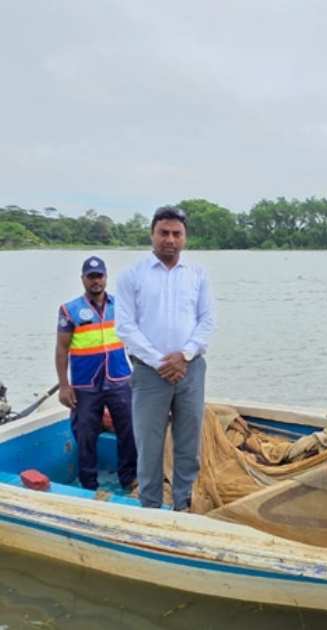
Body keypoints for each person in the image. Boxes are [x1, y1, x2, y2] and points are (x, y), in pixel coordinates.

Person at [116, 206, 215, 511]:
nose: (170, 239)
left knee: (188, 443)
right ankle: (150, 508)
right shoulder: (132, 275)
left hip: (191, 370)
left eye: (176, 233)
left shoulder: (197, 275)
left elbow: (207, 320)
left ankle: (183, 503)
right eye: (164, 233)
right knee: (149, 445)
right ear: (152, 235)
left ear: (185, 238)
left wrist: (184, 356)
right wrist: (161, 361)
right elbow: (125, 326)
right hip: (149, 373)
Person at [55, 256, 137, 491]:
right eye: (91, 277)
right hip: (85, 384)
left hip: (119, 379)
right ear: (83, 279)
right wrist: (64, 385)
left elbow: (134, 339)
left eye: (99, 276)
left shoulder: (120, 305)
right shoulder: (69, 310)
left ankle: (128, 478)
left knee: (129, 431)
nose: (96, 281)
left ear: (106, 278)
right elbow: (62, 350)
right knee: (85, 435)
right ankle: (89, 483)